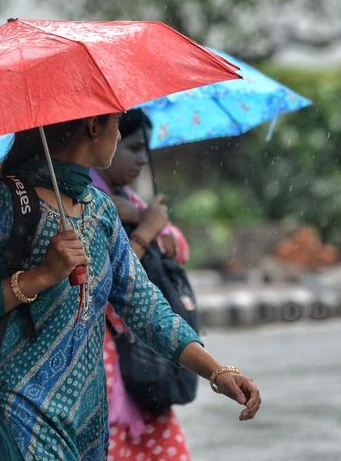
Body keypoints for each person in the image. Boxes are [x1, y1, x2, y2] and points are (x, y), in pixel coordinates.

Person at [0, 113, 261, 461]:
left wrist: (218, 371)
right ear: (93, 127)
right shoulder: (0, 200)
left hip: (86, 425)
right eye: (116, 124)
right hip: (21, 415)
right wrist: (40, 277)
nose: (117, 135)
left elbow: (143, 304)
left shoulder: (101, 209)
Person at [90, 109, 195, 461]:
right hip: (101, 361)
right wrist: (147, 230)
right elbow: (108, 282)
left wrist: (145, 220)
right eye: (129, 145)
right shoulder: (86, 205)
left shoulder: (128, 200)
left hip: (140, 350)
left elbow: (179, 247)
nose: (140, 159)